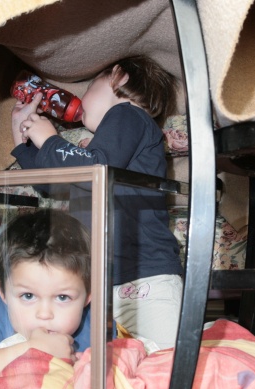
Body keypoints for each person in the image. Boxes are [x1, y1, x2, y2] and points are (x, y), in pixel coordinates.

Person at [11, 55, 184, 351]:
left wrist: (50, 139)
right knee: (95, 364)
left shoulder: (130, 114)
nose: (81, 102)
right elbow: (47, 184)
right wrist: (21, 135)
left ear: (118, 76)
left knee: (168, 361)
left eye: (90, 87)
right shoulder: (97, 150)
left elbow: (96, 167)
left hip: (145, 278)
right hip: (98, 284)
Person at [0, 209, 92, 389]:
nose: (44, 314)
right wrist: (31, 351)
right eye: (28, 296)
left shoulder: (95, 322)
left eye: (62, 297)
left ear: (89, 295)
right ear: (3, 292)